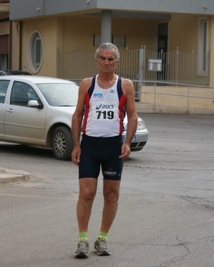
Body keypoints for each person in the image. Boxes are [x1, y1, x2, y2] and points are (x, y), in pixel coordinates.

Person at [71, 42, 138, 259]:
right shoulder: (87, 84)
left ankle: (102, 238)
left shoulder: (125, 85)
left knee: (111, 195)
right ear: (97, 60)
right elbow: (77, 115)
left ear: (117, 61)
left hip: (113, 147)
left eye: (111, 59)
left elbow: (133, 116)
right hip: (90, 145)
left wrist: (127, 142)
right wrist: (76, 145)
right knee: (87, 193)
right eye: (103, 58)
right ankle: (82, 239)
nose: (106, 62)